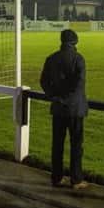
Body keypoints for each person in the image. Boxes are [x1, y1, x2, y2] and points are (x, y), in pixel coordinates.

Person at [40, 29, 89, 189]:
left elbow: (43, 82)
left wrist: (54, 97)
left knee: (57, 144)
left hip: (58, 109)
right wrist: (65, 100)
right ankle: (76, 179)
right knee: (76, 145)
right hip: (74, 109)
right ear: (76, 42)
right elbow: (79, 85)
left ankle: (57, 177)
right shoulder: (78, 59)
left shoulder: (51, 58)